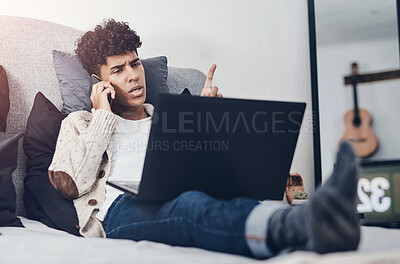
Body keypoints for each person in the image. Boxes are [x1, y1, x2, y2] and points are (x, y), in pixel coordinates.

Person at [48, 19, 360, 259]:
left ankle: (312, 224)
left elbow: (218, 173)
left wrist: (209, 118)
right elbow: (72, 183)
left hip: (185, 192)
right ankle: (310, 220)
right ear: (99, 82)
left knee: (236, 201)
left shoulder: (170, 116)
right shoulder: (81, 122)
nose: (133, 75)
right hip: (121, 210)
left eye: (135, 62)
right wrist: (102, 116)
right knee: (189, 206)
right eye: (118, 70)